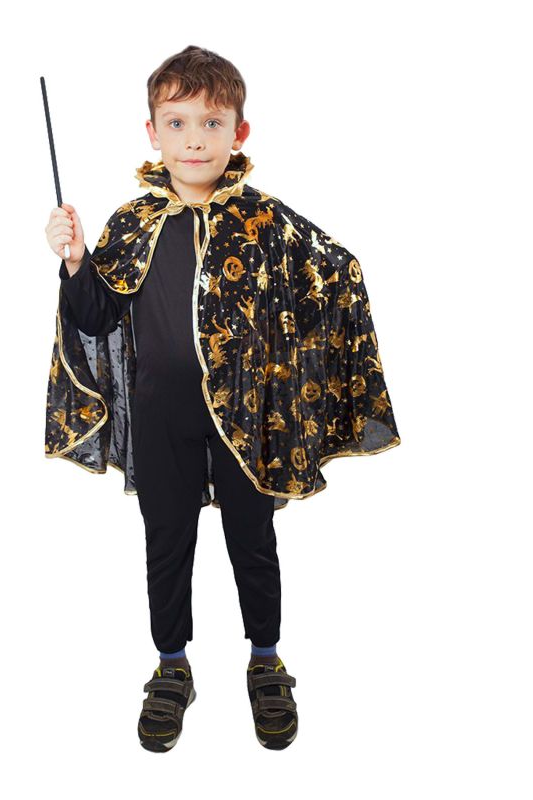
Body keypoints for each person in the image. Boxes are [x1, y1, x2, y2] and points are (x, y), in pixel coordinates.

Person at [43, 45, 400, 752]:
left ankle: (266, 659)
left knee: (252, 539)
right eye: (177, 124)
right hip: (161, 415)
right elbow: (95, 316)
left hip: (250, 414)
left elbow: (336, 269)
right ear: (152, 132)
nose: (195, 140)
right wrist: (77, 261)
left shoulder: (266, 223)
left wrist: (303, 346)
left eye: (211, 123)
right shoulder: (133, 223)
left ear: (239, 131)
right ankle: (172, 666)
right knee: (166, 540)